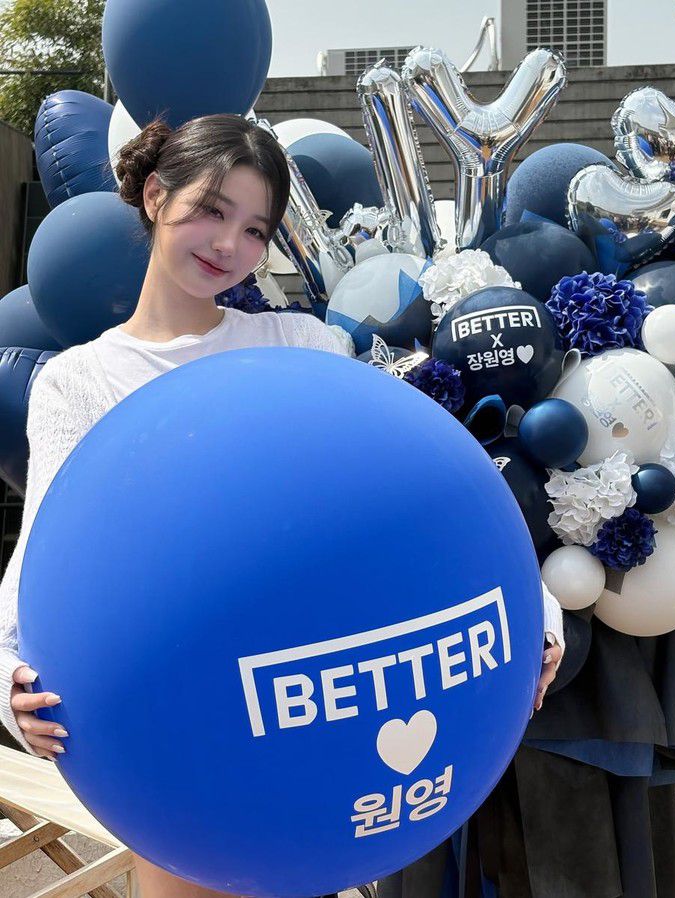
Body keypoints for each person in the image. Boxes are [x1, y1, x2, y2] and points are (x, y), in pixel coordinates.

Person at [0, 113, 563, 898]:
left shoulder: (299, 343)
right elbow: (42, 555)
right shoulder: (79, 382)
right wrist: (9, 676)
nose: (228, 244)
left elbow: (417, 490)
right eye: (211, 210)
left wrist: (532, 609)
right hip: (181, 727)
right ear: (156, 196)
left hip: (309, 713)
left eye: (255, 229)